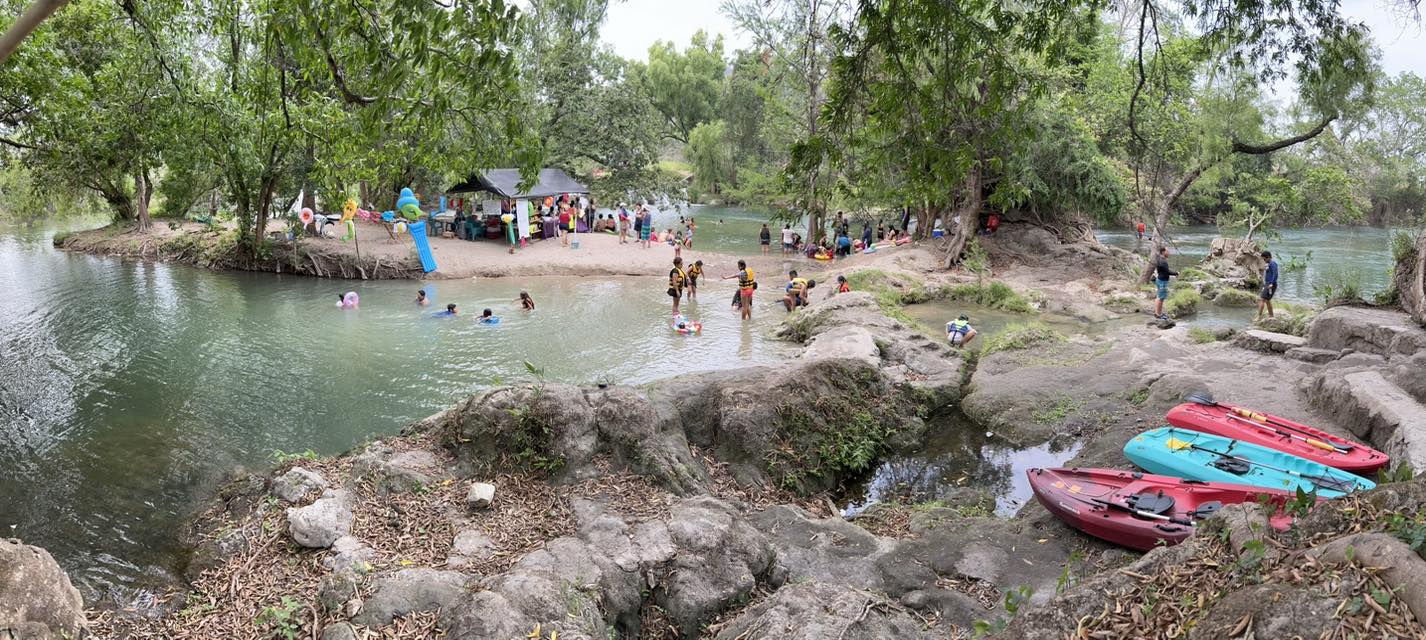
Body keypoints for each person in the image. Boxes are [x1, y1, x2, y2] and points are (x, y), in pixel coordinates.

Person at [1153, 246, 1177, 320]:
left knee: (1159, 297)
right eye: (1167, 251)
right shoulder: (1163, 261)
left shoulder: (1160, 259)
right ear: (1163, 252)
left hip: (1159, 280)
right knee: (1161, 298)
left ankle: (1157, 313)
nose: (1169, 253)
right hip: (1162, 281)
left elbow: (1165, 271)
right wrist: (1176, 273)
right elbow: (1167, 272)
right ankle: (1159, 315)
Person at [1257, 250, 1278, 321]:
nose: (1264, 260)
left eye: (1264, 259)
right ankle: (1271, 316)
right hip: (1268, 283)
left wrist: (1271, 283)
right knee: (1267, 300)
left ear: (1268, 257)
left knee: (1262, 299)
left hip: (1270, 284)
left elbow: (1275, 274)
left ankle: (1259, 317)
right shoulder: (1269, 264)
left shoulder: (1273, 264)